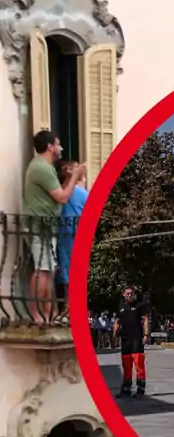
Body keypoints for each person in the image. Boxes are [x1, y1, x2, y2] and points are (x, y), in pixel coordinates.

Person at [24, 130, 84, 324]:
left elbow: (58, 194)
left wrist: (68, 178)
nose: (61, 148)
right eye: (58, 144)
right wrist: (75, 176)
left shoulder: (44, 167)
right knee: (42, 270)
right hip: (40, 226)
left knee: (47, 270)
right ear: (50, 146)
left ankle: (47, 314)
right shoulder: (41, 167)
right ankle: (38, 316)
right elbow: (63, 197)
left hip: (46, 226)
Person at [56, 159, 88, 293]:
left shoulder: (59, 191)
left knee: (64, 271)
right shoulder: (81, 193)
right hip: (76, 235)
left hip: (62, 234)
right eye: (76, 167)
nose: (80, 168)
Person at [113, 286, 150, 397]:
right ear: (123, 294)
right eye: (127, 293)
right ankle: (126, 389)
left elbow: (145, 320)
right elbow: (117, 322)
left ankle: (140, 389)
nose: (129, 295)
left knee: (138, 363)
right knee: (126, 365)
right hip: (125, 339)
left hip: (136, 339)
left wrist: (146, 335)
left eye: (131, 293)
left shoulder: (139, 306)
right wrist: (114, 337)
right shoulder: (120, 307)